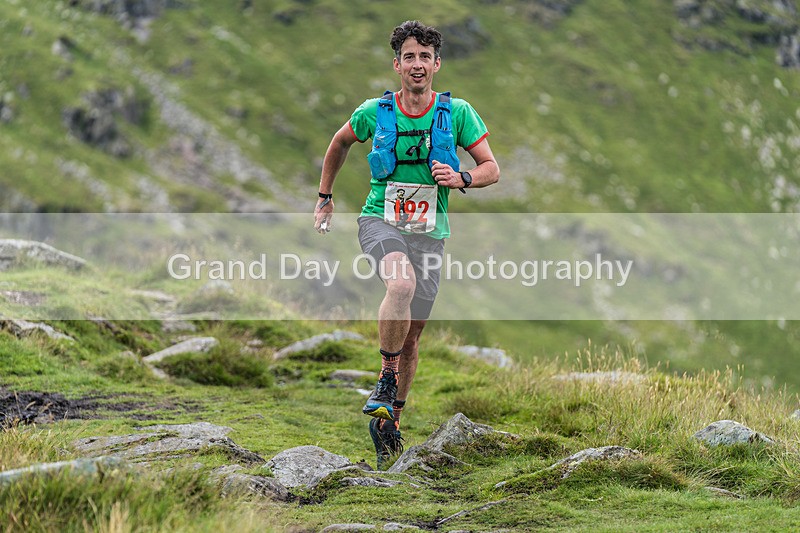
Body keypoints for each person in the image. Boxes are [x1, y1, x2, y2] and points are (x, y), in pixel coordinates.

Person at [314, 20, 500, 470]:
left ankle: (390, 421)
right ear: (397, 64)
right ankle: (384, 379)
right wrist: (325, 197)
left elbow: (492, 167)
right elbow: (339, 143)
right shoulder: (374, 112)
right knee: (399, 285)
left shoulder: (457, 114)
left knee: (413, 336)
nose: (417, 65)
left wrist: (462, 178)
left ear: (437, 64)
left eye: (425, 57)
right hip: (380, 219)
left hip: (430, 232)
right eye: (409, 57)